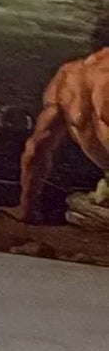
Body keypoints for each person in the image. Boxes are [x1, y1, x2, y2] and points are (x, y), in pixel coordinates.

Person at [11, 16, 109, 224]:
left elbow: (37, 147)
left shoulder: (68, 76)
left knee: (79, 203)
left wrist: (27, 208)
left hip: (104, 198)